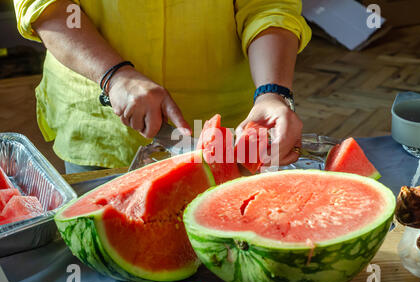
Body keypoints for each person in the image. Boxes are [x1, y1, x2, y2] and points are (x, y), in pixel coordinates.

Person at [14, 0, 311, 173]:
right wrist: (115, 76)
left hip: (232, 127)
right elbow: (46, 5)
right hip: (101, 124)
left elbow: (268, 6)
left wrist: (272, 92)